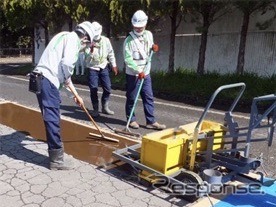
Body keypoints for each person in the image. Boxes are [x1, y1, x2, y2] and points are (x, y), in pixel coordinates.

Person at [32, 21, 96, 170]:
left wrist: (75, 95)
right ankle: (57, 161)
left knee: (50, 118)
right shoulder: (74, 41)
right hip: (47, 81)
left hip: (40, 79)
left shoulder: (63, 35)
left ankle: (56, 156)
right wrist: (68, 77)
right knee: (53, 119)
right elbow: (67, 65)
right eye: (86, 45)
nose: (84, 48)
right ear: (85, 38)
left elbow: (63, 73)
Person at [123, 10, 166, 130]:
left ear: (145, 25)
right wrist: (137, 71)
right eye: (136, 27)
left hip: (146, 72)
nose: (138, 29)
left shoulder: (148, 35)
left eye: (140, 27)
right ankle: (131, 120)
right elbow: (127, 59)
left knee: (148, 97)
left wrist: (153, 47)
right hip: (133, 74)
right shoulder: (128, 41)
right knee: (132, 97)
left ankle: (150, 121)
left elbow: (150, 46)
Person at [85, 21, 118, 117]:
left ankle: (105, 106)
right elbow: (86, 56)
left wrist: (114, 65)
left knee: (107, 88)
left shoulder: (106, 40)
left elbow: (111, 53)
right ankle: (95, 109)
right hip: (92, 67)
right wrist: (91, 49)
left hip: (104, 66)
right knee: (93, 89)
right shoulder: (88, 42)